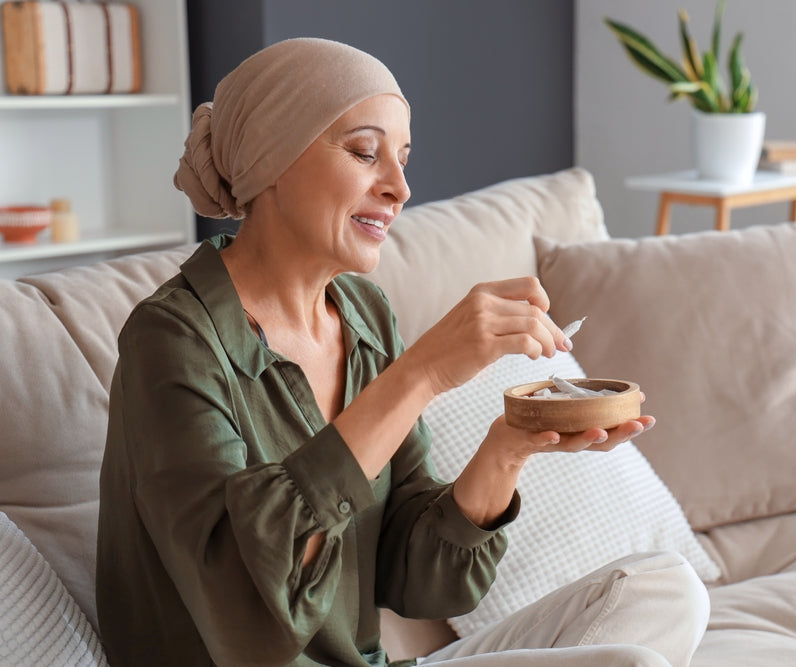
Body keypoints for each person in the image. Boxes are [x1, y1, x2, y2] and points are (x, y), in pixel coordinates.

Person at [96, 38, 708, 667]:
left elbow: (412, 579)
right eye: (366, 153)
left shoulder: (363, 316)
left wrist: (509, 447)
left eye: (403, 158)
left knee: (664, 591)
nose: (399, 187)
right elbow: (244, 609)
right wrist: (420, 374)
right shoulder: (172, 340)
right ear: (269, 160)